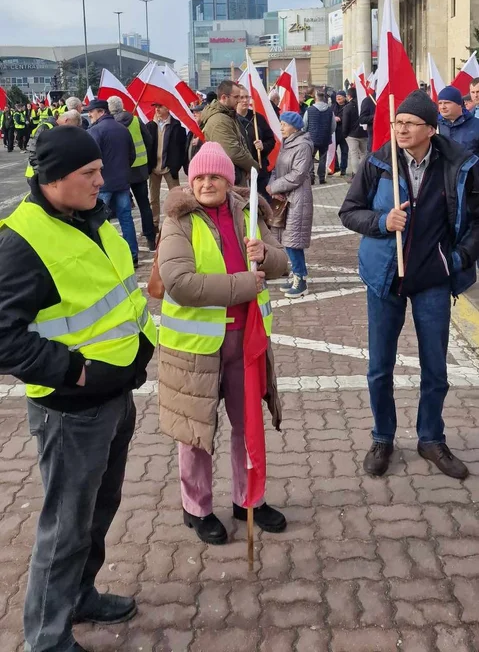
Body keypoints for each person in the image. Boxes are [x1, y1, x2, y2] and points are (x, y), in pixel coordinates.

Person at [0, 125, 157, 652]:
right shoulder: (22, 242)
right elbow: (4, 337)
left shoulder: (90, 214)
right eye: (88, 174)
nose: (102, 180)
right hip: (71, 411)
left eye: (99, 171)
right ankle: (46, 638)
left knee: (98, 509)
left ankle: (80, 594)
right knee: (66, 527)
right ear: (52, 180)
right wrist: (76, 372)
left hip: (115, 396)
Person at [339, 90, 479, 480]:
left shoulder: (459, 165)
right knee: (379, 366)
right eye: (397, 122)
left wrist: (459, 259)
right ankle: (382, 436)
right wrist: (383, 223)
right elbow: (349, 212)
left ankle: (431, 437)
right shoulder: (379, 162)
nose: (400, 128)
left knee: (435, 366)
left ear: (431, 130)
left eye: (409, 123)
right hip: (385, 276)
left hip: (433, 277)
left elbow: (475, 221)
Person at [157, 141, 288, 544]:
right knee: (196, 432)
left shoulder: (249, 213)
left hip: (246, 342)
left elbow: (282, 263)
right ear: (190, 179)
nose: (207, 183)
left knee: (246, 426)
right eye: (199, 176)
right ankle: (196, 508)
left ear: (230, 181)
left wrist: (264, 253)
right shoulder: (178, 219)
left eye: (215, 176)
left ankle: (249, 499)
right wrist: (245, 284)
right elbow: (180, 284)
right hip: (195, 349)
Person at [266, 111, 314, 299]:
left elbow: (297, 175)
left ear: (294, 126)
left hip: (297, 199)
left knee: (293, 242)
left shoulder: (302, 146)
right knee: (290, 240)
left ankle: (301, 280)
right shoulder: (288, 143)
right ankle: (297, 274)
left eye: (284, 124)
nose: (281, 127)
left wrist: (275, 186)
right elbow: (278, 168)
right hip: (286, 197)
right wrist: (272, 185)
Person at [85, 99, 139, 265]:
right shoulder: (122, 129)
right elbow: (132, 155)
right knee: (126, 219)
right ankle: (132, 255)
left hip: (104, 183)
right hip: (122, 182)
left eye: (91, 112)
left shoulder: (95, 131)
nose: (89, 115)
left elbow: (91, 158)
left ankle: (105, 256)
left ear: (101, 112)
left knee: (100, 221)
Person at [108, 96, 156, 252]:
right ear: (122, 106)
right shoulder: (135, 120)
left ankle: (122, 244)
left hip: (121, 171)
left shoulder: (111, 125)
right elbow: (148, 140)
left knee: (123, 210)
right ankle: (150, 239)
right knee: (144, 205)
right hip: (140, 169)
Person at [201, 80, 259, 185]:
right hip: (229, 179)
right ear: (224, 97)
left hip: (234, 175)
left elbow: (241, 143)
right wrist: (254, 167)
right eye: (236, 97)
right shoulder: (220, 120)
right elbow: (234, 152)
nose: (239, 101)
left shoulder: (228, 115)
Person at [146, 103, 186, 231]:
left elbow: (181, 149)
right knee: (153, 198)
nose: (157, 109)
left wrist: (176, 166)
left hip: (169, 168)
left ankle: (178, 222)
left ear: (168, 108)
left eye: (160, 106)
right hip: (153, 168)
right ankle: (154, 224)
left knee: (176, 197)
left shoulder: (176, 126)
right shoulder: (150, 125)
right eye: (155, 107)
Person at [236, 85, 276, 200]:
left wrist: (263, 146)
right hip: (241, 172)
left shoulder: (257, 118)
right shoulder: (231, 119)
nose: (245, 100)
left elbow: (271, 139)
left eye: (247, 97)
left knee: (263, 202)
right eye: (241, 97)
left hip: (260, 168)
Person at [303, 89, 335, 185]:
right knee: (323, 158)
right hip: (325, 138)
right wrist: (329, 133)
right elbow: (333, 126)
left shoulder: (309, 110)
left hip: (311, 138)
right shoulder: (330, 110)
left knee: (310, 158)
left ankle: (311, 177)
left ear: (316, 98)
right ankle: (321, 177)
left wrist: (305, 134)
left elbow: (304, 124)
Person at [437, 85, 479, 155]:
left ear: (459, 104)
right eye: (440, 103)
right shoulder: (434, 126)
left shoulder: (476, 125)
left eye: (447, 103)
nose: (442, 107)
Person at [342, 87, 368, 180]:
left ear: (349, 96)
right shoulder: (363, 105)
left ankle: (356, 175)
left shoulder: (347, 107)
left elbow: (345, 123)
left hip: (352, 135)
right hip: (364, 133)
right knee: (364, 154)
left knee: (353, 154)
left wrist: (344, 134)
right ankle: (364, 174)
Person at [184, 102, 205, 174]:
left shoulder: (206, 129)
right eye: (193, 112)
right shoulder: (192, 130)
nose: (194, 114)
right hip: (192, 168)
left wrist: (200, 141)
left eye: (197, 112)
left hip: (202, 168)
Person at [332, 90, 349, 176]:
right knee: (333, 151)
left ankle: (343, 169)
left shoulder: (348, 106)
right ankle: (336, 167)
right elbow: (330, 116)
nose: (338, 98)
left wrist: (340, 119)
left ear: (344, 97)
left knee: (344, 151)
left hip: (344, 133)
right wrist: (334, 118)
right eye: (337, 97)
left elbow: (350, 118)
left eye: (340, 97)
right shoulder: (333, 106)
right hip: (334, 133)